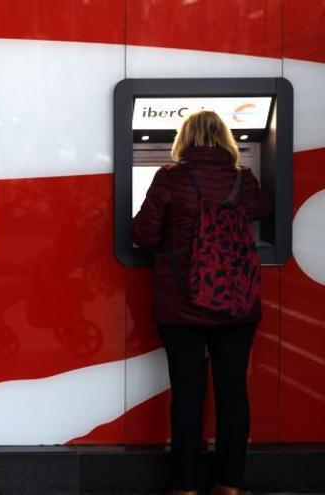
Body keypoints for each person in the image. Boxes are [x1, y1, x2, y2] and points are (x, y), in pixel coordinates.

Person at [132, 110, 271, 495]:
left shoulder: (169, 178)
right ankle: (230, 483)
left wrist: (177, 249)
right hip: (235, 303)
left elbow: (142, 232)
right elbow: (263, 210)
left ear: (184, 139)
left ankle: (187, 485)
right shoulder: (244, 179)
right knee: (233, 393)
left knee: (188, 395)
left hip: (182, 306)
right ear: (225, 138)